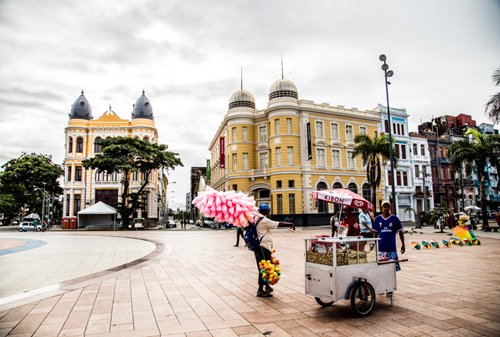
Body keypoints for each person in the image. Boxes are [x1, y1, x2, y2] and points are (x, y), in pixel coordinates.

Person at [253, 203, 295, 298]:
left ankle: (267, 286)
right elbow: (278, 223)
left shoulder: (255, 218)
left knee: (263, 267)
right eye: (267, 211)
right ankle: (260, 290)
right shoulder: (263, 220)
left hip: (259, 247)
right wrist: (290, 223)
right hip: (263, 246)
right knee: (264, 268)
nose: (267, 213)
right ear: (263, 211)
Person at [373, 200, 405, 271]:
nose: (386, 208)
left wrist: (403, 244)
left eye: (388, 207)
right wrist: (372, 245)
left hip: (391, 248)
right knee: (380, 268)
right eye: (385, 207)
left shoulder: (395, 219)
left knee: (391, 268)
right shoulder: (377, 219)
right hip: (380, 248)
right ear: (382, 208)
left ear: (390, 208)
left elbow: (400, 232)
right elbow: (375, 233)